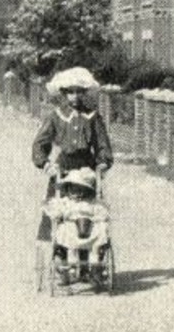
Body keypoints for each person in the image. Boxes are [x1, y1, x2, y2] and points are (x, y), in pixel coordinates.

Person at [32, 70, 113, 242]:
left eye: (78, 91)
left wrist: (103, 162)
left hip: (87, 166)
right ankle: (51, 247)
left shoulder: (92, 116)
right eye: (70, 91)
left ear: (84, 93)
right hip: (63, 166)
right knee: (55, 207)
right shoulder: (56, 116)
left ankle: (91, 247)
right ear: (63, 93)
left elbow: (102, 144)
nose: (74, 96)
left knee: (89, 208)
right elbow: (40, 143)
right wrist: (45, 163)